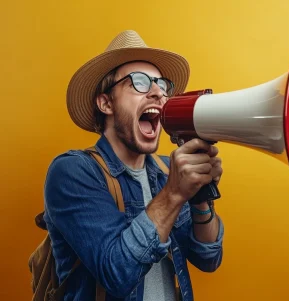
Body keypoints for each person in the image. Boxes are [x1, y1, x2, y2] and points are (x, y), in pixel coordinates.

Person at [43, 30, 224, 301]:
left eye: (162, 85)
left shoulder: (166, 171)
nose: (157, 93)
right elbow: (116, 273)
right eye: (139, 82)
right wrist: (174, 193)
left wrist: (199, 197)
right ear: (106, 103)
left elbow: (208, 257)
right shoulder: (72, 171)